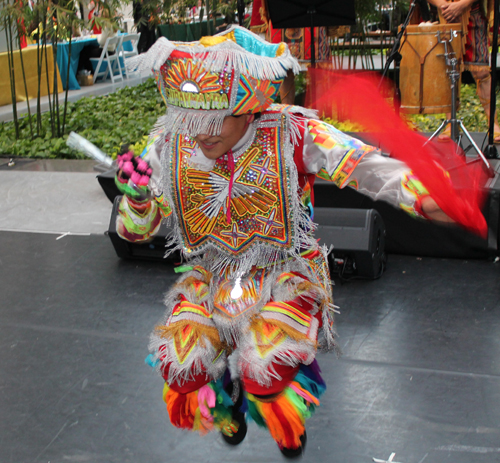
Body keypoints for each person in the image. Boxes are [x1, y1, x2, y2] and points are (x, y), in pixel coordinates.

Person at [114, 26, 451, 458]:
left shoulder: (291, 133)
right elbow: (132, 232)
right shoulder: (169, 142)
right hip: (210, 272)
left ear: (251, 107)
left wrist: (422, 194)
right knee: (181, 364)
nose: (203, 132)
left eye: (219, 118)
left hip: (284, 268)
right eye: (194, 118)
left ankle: (274, 396)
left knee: (268, 366)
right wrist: (139, 198)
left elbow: (363, 165)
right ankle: (224, 393)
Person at [427, 0, 500, 142]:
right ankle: (450, 124)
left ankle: (494, 125)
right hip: (444, 15)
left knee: (482, 72)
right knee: (447, 70)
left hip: (472, 13)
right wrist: (442, 5)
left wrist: (462, 5)